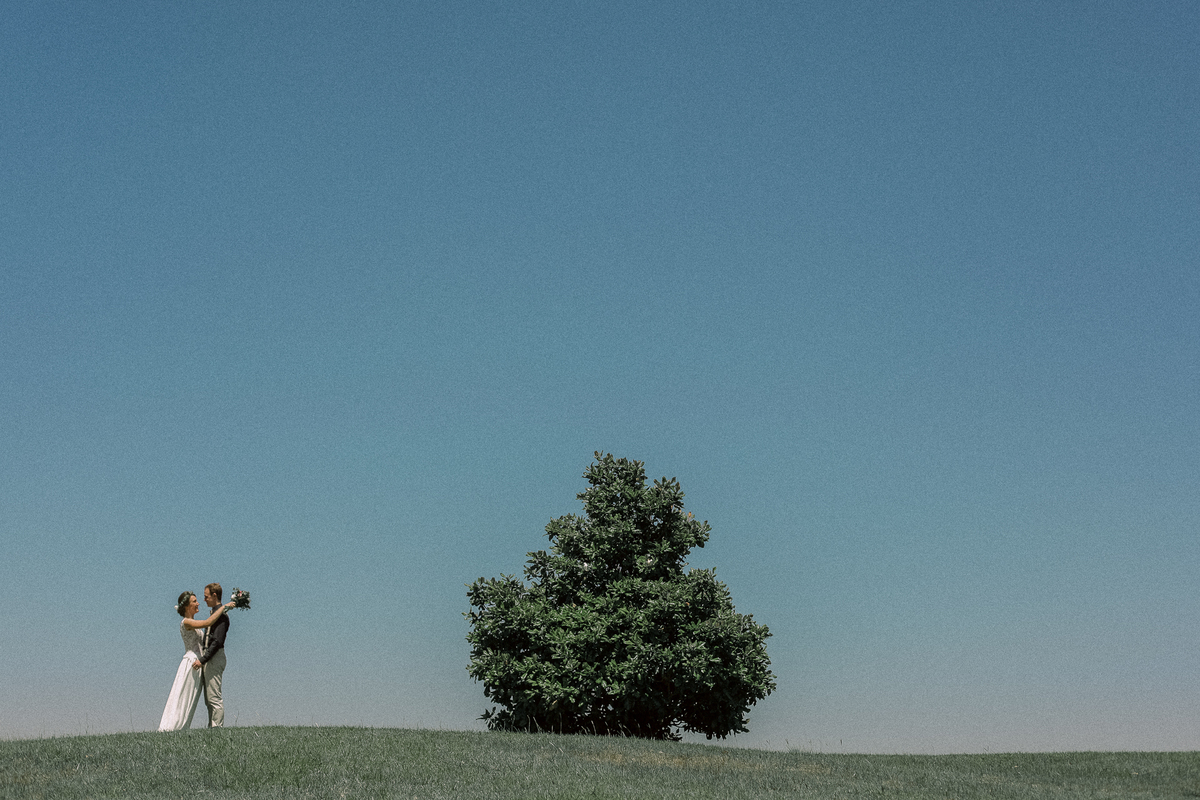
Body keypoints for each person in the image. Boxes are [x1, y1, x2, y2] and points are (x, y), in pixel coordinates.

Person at [158, 591, 233, 731]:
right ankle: (172, 727)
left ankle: (182, 727)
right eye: (194, 601)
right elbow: (208, 622)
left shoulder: (191, 622)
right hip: (191, 662)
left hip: (197, 663)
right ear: (187, 606)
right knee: (183, 696)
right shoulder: (187, 622)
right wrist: (224, 607)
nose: (198, 603)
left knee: (191, 698)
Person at [192, 583, 231, 727]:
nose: (204, 600)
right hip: (211, 658)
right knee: (209, 698)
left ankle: (217, 728)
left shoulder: (221, 616)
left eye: (206, 596)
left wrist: (203, 660)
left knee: (214, 697)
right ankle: (212, 727)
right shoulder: (215, 615)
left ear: (215, 596)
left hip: (215, 658)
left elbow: (216, 642)